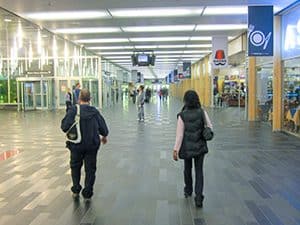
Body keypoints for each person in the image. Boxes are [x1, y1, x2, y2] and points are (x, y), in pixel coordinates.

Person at [61, 88, 109, 201]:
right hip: (92, 145)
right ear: (90, 99)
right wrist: (104, 136)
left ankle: (76, 189)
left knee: (75, 167)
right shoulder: (94, 111)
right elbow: (103, 128)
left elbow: (64, 127)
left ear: (79, 99)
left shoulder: (73, 110)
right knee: (90, 169)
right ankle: (88, 192)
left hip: (76, 145)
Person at [173, 90, 213, 208]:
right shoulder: (202, 112)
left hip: (187, 147)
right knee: (199, 171)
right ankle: (199, 197)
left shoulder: (182, 115)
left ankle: (188, 190)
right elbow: (209, 126)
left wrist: (175, 149)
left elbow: (179, 135)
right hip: (200, 147)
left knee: (187, 169)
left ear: (185, 100)